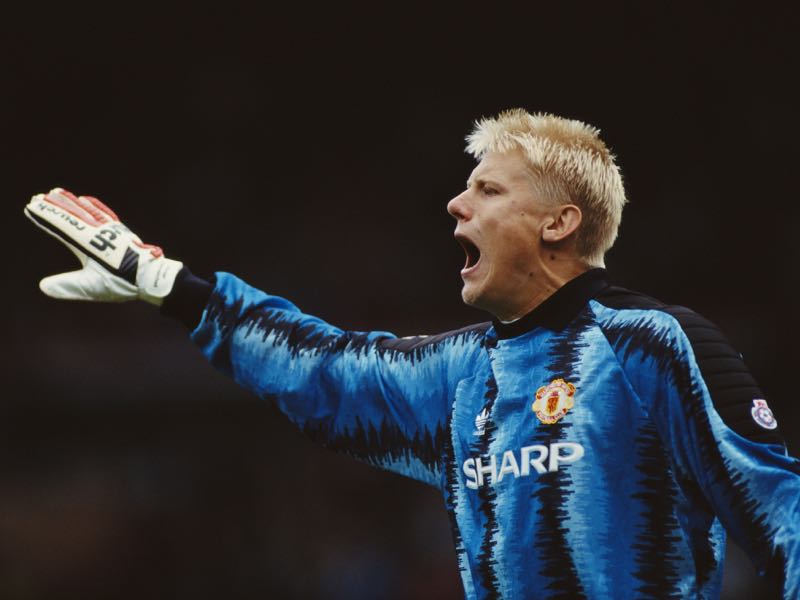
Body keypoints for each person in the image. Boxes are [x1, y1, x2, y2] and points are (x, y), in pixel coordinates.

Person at [25, 109, 800, 598]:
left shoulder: (653, 346)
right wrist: (174, 287)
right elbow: (319, 367)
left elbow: (785, 516)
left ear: (559, 224)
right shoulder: (459, 375)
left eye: (488, 191)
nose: (457, 204)